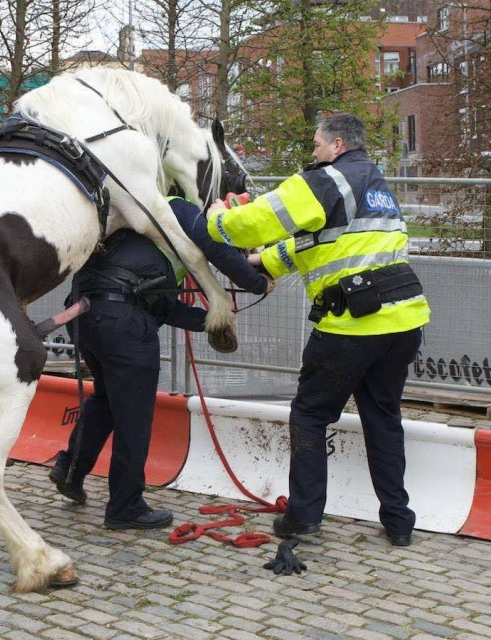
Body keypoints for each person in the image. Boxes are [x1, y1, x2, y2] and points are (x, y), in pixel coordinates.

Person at [206, 113, 430, 547]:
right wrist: (265, 262)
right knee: (383, 419)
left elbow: (259, 220)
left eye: (316, 145)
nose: (312, 152)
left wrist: (218, 220)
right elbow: (324, 242)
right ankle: (400, 521)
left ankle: (304, 516)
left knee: (309, 414)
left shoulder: (329, 179)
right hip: (403, 323)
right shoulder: (376, 185)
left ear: (337, 144)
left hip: (351, 326)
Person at [49, 196, 274, 530]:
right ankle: (125, 507)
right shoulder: (176, 208)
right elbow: (219, 249)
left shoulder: (140, 227)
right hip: (123, 321)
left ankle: (70, 469)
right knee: (134, 417)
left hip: (85, 314)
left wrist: (211, 319)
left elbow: (159, 305)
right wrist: (258, 283)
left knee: (108, 400)